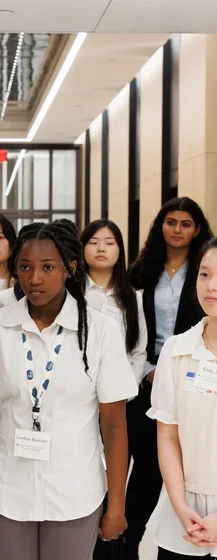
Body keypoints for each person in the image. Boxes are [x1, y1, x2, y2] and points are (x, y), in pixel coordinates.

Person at [0, 220, 138, 560]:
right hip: (8, 492)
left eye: (47, 267)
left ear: (70, 268)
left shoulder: (100, 331)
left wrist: (116, 504)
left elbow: (114, 425)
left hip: (76, 494)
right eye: (25, 267)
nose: (34, 278)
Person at [125, 197, 213, 560]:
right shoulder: (144, 270)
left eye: (186, 223)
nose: (211, 285)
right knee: (151, 464)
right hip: (158, 372)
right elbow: (169, 440)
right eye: (171, 221)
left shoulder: (200, 264)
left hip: (193, 361)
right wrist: (150, 369)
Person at [146, 237, 217, 559]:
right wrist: (179, 505)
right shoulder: (176, 349)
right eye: (204, 274)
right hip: (184, 514)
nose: (211, 285)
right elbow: (168, 435)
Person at [81, 219, 147, 385]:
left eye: (109, 243)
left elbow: (138, 351)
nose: (101, 248)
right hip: (78, 392)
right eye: (93, 242)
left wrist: (127, 390)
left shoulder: (133, 298)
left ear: (119, 250)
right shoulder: (72, 295)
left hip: (118, 392)